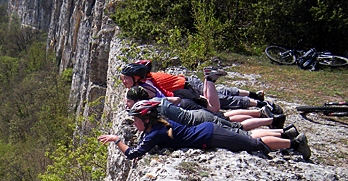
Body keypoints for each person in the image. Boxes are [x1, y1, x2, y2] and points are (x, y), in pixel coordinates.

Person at [99, 100, 311, 160]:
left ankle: (295, 143)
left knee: (255, 145)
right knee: (245, 136)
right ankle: (286, 133)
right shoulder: (157, 124)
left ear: (146, 119)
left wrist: (117, 140)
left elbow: (133, 153)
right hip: (208, 129)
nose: (134, 124)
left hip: (210, 135)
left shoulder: (155, 132)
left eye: (136, 120)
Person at [125, 86, 290, 133]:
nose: (127, 105)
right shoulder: (155, 101)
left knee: (237, 127)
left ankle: (271, 119)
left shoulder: (152, 110)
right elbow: (175, 100)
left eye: (129, 102)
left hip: (198, 118)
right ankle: (268, 117)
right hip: (192, 112)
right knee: (227, 118)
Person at [119, 60, 264, 112]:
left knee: (218, 102)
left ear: (136, 77)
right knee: (218, 93)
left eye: (125, 78)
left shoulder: (146, 85)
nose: (123, 81)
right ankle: (254, 95)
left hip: (184, 90)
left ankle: (258, 102)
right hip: (185, 83)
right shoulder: (149, 78)